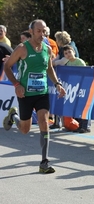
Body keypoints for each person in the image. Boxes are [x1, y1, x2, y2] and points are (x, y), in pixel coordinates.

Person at [2, 19, 66, 174]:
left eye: (44, 31)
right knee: (25, 129)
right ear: (31, 32)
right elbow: (7, 66)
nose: (42, 34)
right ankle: (14, 116)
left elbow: (49, 68)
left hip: (42, 92)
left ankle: (44, 162)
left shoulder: (47, 48)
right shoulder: (22, 48)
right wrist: (17, 85)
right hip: (26, 94)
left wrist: (57, 84)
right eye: (39, 31)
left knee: (44, 122)